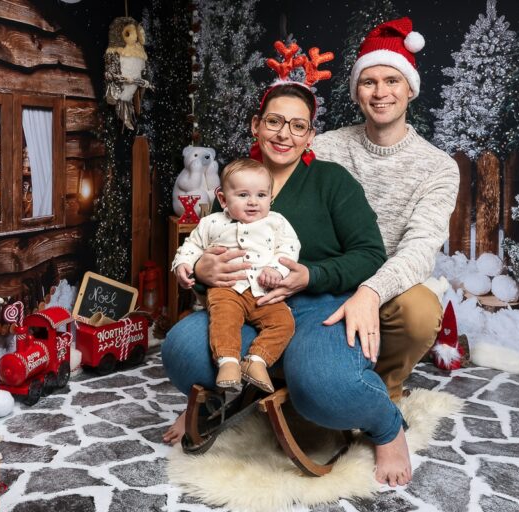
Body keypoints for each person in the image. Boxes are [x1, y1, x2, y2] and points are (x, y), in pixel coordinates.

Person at [161, 72, 421, 484]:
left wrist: (311, 276)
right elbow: (207, 245)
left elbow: (371, 254)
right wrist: (199, 270)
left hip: (318, 304)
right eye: (274, 121)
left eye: (298, 126)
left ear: (309, 135)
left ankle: (386, 425)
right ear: (256, 125)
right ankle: (225, 391)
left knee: (322, 391)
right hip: (246, 304)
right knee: (181, 351)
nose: (285, 134)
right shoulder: (234, 181)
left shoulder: (332, 182)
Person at [311, 17, 459, 408]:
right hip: (328, 276)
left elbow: (420, 249)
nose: (380, 93)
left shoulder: (438, 166)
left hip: (389, 289)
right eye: (368, 82)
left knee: (421, 312)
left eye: (392, 81)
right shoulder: (325, 149)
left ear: (410, 89)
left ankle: (385, 386)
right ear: (356, 91)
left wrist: (371, 291)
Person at [172, 158, 301, 393]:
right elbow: (192, 246)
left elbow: (290, 248)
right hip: (227, 288)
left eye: (261, 195)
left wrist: (276, 269)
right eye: (243, 195)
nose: (253, 202)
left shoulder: (276, 222)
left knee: (284, 323)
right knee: (224, 320)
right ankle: (228, 362)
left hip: (264, 292)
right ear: (223, 199)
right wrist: (182, 264)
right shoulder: (212, 222)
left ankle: (257, 360)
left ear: (270, 197)